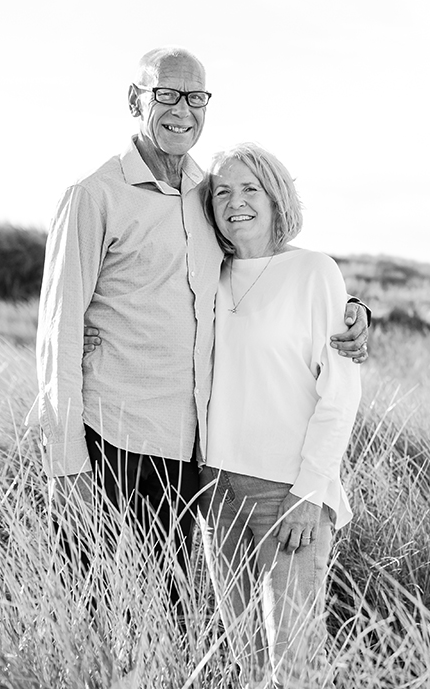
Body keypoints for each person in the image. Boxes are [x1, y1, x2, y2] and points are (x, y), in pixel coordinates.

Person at [34, 47, 368, 613]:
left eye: (195, 97)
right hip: (112, 445)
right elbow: (60, 331)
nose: (181, 109)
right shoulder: (94, 196)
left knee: (172, 620)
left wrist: (348, 308)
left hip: (193, 459)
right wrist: (65, 463)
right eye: (165, 94)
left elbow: (260, 262)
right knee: (97, 615)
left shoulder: (205, 190)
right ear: (136, 100)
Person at [198, 143, 361, 686]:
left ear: (275, 198)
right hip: (215, 488)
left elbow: (340, 393)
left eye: (250, 189)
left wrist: (309, 492)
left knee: (292, 666)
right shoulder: (207, 275)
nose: (235, 202)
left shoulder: (315, 272)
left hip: (287, 493)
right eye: (222, 191)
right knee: (245, 661)